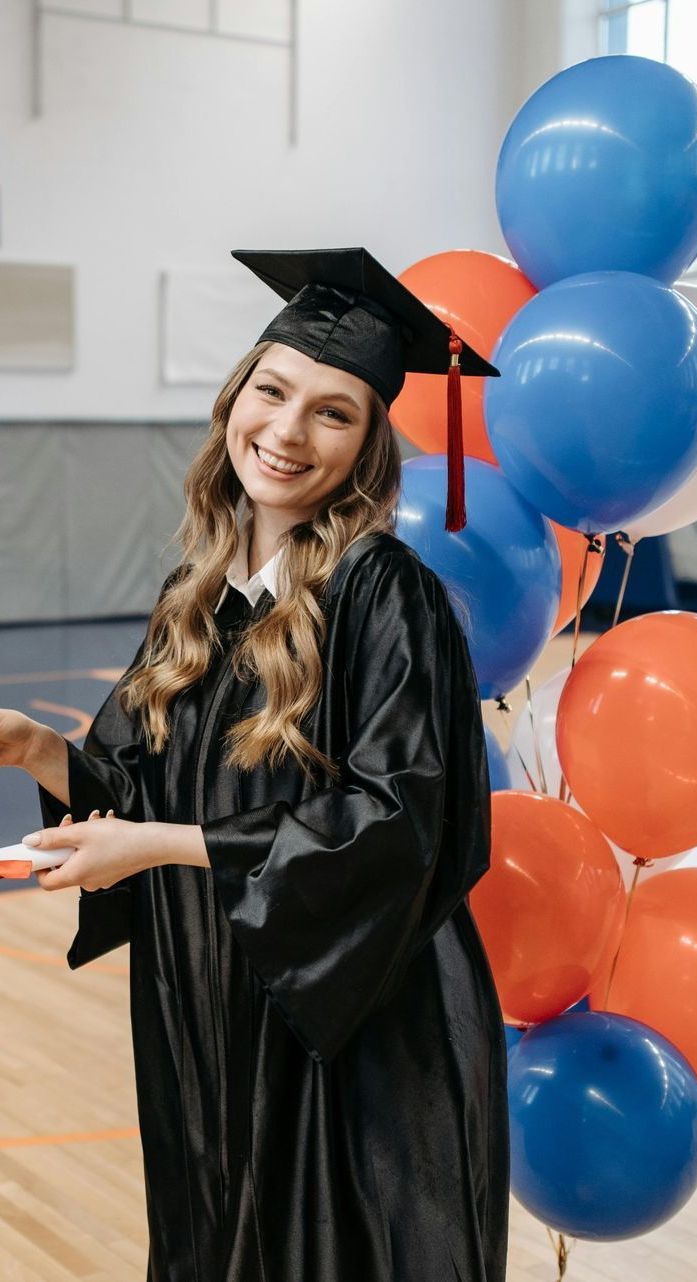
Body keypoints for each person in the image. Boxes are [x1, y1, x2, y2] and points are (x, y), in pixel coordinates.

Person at [1, 247, 510, 1282]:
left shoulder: (384, 595)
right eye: (272, 391)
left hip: (348, 1034)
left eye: (333, 412)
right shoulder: (199, 594)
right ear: (236, 395)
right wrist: (32, 747)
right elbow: (138, 791)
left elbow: (395, 822)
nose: (285, 431)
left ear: (369, 446)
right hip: (215, 1012)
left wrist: (157, 843)